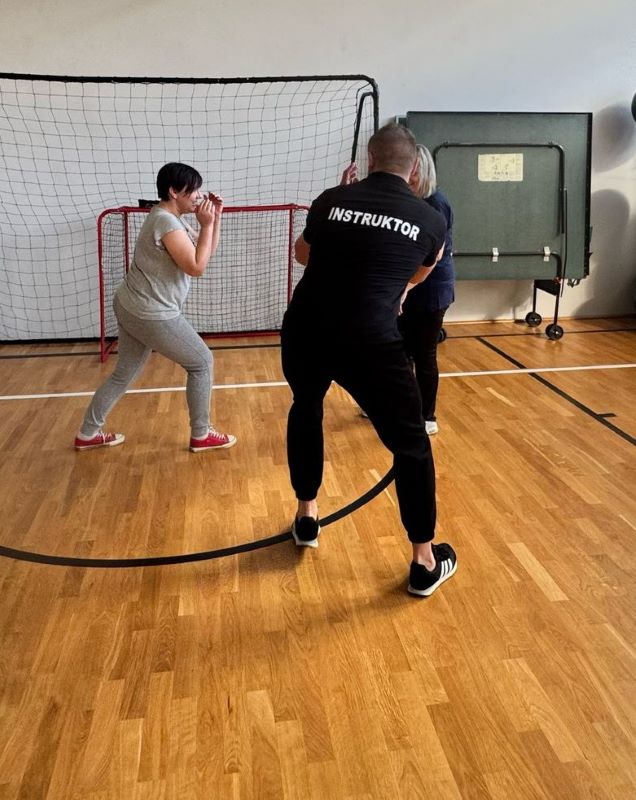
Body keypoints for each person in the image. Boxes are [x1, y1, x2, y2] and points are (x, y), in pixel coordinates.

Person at [281, 123, 457, 597]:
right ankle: (424, 563)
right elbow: (416, 275)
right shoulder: (431, 219)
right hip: (370, 341)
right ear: (414, 168)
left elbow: (302, 256)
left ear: (370, 159)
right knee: (411, 444)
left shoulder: (330, 200)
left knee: (306, 409)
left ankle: (307, 517)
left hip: (307, 328)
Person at [74, 162, 236, 453]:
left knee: (124, 373)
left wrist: (216, 219)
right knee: (201, 363)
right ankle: (201, 435)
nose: (198, 196)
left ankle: (87, 433)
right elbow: (196, 268)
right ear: (174, 191)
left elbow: (206, 252)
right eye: (193, 190)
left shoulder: (168, 217)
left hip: (131, 304)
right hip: (150, 312)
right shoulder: (166, 222)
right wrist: (206, 225)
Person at [398, 145, 455, 435]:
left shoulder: (435, 203)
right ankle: (398, 408)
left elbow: (432, 257)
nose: (408, 176)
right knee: (400, 352)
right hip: (408, 287)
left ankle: (426, 416)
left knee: (423, 354)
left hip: (431, 289)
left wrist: (407, 287)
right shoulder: (409, 201)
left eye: (413, 171)